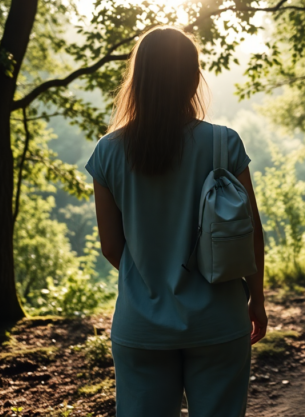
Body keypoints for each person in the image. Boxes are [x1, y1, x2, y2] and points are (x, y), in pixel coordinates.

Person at [85, 26, 267, 417]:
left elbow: (111, 246)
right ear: (192, 79)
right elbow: (250, 233)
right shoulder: (224, 143)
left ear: (140, 80)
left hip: (141, 325)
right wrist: (257, 302)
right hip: (219, 319)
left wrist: (153, 278)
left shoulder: (108, 152)